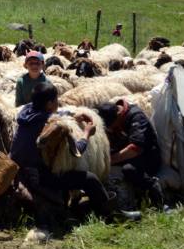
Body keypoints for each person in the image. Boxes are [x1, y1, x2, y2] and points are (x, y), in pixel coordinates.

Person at [10, 83, 115, 227]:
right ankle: (111, 215)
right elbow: (76, 151)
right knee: (89, 179)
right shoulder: (52, 127)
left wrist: (70, 115)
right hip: (39, 176)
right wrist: (86, 133)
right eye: (56, 100)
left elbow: (49, 115)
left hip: (20, 172)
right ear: (49, 103)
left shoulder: (26, 114)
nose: (58, 103)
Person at [97, 99, 164, 207]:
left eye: (112, 126)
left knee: (128, 169)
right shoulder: (113, 117)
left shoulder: (136, 117)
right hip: (126, 153)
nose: (111, 129)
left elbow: (136, 148)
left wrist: (111, 160)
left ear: (118, 114)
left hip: (147, 157)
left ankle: (152, 188)